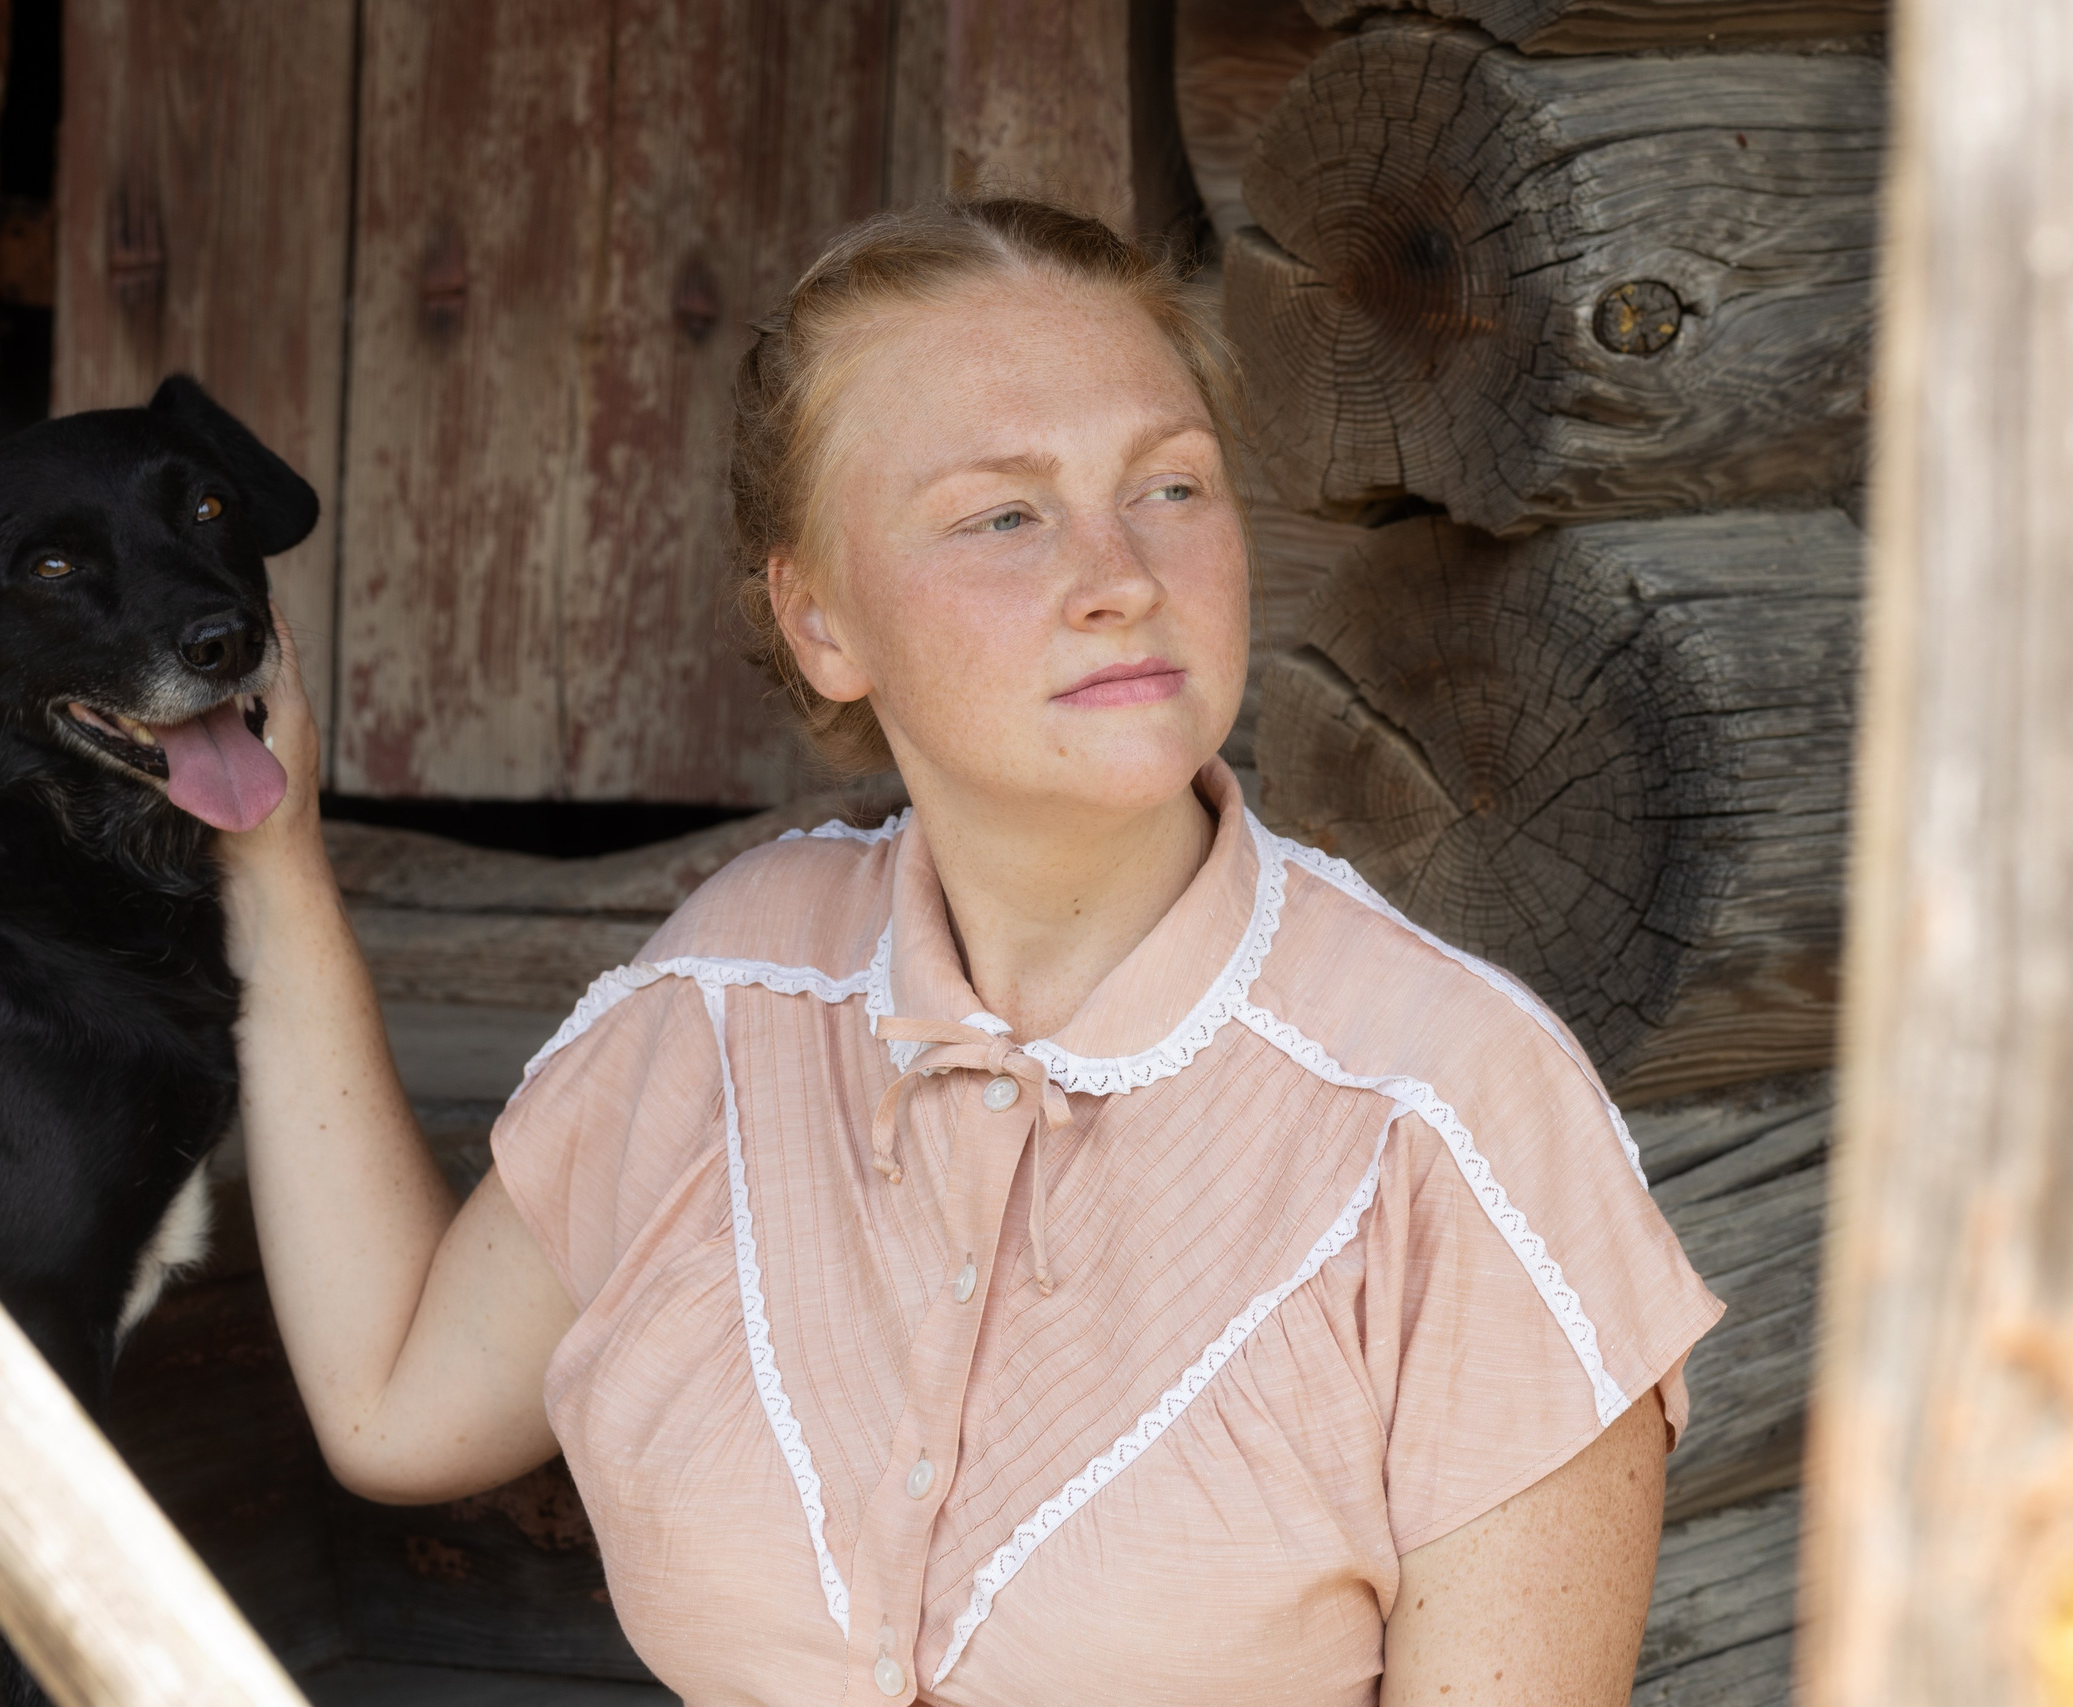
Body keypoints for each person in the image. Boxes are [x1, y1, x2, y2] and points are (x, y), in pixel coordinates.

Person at [224, 198, 1721, 1706]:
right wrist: (272, 862)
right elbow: (396, 1402)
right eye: (1006, 514)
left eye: (1173, 484)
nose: (1120, 572)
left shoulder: (1448, 1119)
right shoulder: (735, 995)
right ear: (819, 622)